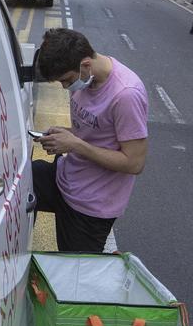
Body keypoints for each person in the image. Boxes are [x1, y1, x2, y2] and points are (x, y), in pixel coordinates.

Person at [32, 29, 149, 253]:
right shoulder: (85, 80)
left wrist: (75, 144)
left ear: (85, 64)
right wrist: (64, 134)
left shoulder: (125, 95)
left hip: (91, 206)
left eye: (66, 80)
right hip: (66, 177)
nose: (65, 88)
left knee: (76, 276)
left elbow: (135, 163)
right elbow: (91, 131)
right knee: (24, 180)